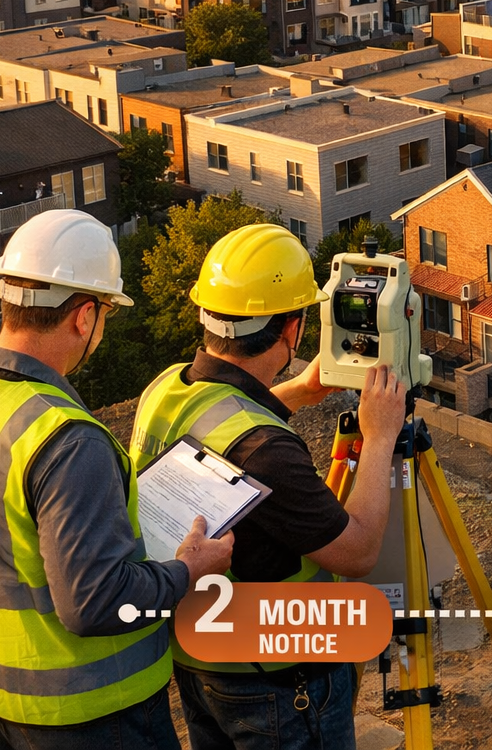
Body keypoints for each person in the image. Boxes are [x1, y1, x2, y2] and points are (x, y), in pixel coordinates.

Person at [0, 209, 235, 750]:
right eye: (105, 313)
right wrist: (187, 571)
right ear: (85, 317)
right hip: (91, 717)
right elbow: (99, 604)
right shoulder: (66, 438)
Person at [131, 223, 407, 750]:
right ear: (292, 329)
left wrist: (299, 393)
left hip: (200, 660)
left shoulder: (168, 388)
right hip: (277, 682)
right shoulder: (267, 452)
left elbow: (224, 436)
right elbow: (360, 549)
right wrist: (379, 435)